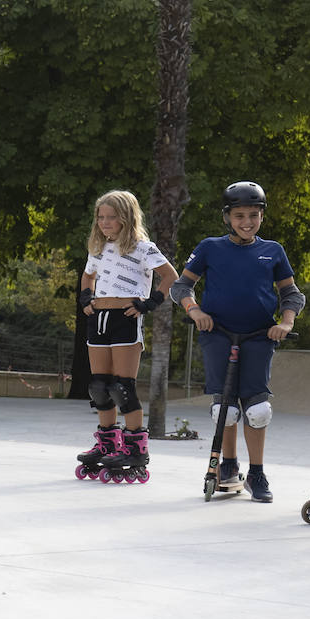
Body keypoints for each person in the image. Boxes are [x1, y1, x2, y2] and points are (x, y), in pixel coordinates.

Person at [174, 181, 304, 502]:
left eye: (254, 215)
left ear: (262, 216)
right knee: (226, 410)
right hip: (217, 333)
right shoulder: (210, 248)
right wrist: (195, 311)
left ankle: (257, 474)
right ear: (227, 217)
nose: (247, 222)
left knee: (258, 410)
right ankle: (228, 466)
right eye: (239, 215)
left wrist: (285, 322)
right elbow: (181, 287)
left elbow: (290, 294)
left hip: (260, 336)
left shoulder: (273, 251)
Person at [75, 190, 178, 480]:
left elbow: (170, 276)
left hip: (125, 319)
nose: (105, 222)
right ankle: (107, 443)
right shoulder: (97, 247)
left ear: (126, 218)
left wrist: (150, 303)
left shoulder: (144, 248)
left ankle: (135, 447)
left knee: (122, 388)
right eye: (101, 217)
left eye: (111, 217)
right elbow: (88, 275)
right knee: (99, 386)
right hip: (99, 318)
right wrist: (86, 298)